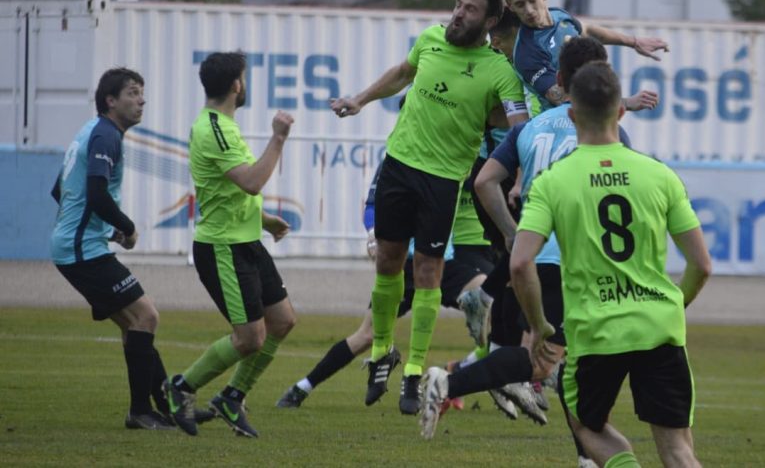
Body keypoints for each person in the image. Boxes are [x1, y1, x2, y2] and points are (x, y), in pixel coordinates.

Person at [476, 61, 712, 467]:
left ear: (571, 113)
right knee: (677, 449)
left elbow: (519, 264)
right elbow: (702, 265)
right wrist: (675, 302)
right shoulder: (659, 175)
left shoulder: (555, 180)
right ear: (621, 112)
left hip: (594, 329)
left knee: (586, 426)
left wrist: (538, 326)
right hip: (659, 325)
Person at [330, 0, 528, 415]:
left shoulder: (499, 70)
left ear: (490, 22)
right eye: (457, 5)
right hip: (399, 167)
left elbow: (518, 125)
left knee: (427, 275)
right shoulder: (431, 38)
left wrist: (519, 171)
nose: (458, 14)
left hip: (441, 181)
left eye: (470, 10)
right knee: (387, 265)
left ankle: (415, 371)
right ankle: (382, 353)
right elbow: (403, 72)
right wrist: (359, 100)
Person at [275, 162, 489, 410]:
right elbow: (372, 204)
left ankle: (459, 376)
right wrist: (373, 233)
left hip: (441, 264)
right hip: (402, 267)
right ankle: (302, 387)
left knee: (493, 305)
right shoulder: (397, 160)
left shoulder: (457, 155)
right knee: (365, 335)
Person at [163, 51, 297, 438]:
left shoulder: (221, 125)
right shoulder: (214, 129)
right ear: (237, 84)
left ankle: (232, 397)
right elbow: (252, 180)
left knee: (283, 321)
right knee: (249, 338)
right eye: (245, 77)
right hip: (222, 247)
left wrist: (264, 219)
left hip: (246, 240)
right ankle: (181, 388)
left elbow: (229, 189)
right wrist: (278, 138)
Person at [51, 68, 175, 430]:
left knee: (136, 324)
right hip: (81, 251)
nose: (142, 100)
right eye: (133, 93)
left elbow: (60, 191)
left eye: (142, 93)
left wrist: (103, 230)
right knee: (147, 316)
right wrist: (128, 229)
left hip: (79, 246)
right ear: (111, 101)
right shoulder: (106, 136)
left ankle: (166, 408)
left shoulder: (92, 132)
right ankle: (140, 412)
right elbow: (96, 194)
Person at [500, 0, 665, 113]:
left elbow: (587, 30)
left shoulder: (559, 15)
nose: (529, 10)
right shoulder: (527, 53)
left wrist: (634, 42)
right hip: (562, 126)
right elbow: (562, 98)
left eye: (532, 0)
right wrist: (626, 103)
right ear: (510, 6)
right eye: (520, 4)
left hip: (592, 120)